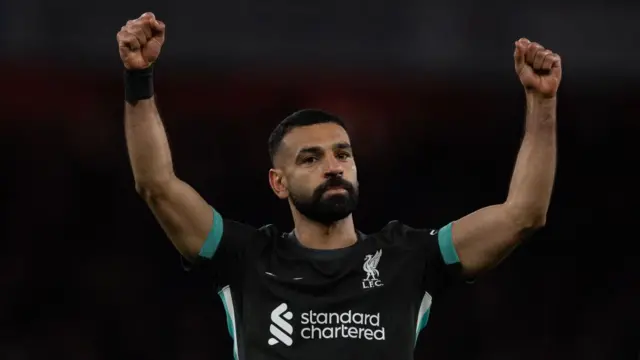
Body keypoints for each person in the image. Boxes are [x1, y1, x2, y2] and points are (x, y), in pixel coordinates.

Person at [117, 12, 562, 360]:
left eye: (342, 154)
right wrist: (139, 78)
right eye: (310, 158)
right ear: (278, 182)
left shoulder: (411, 259)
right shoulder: (245, 258)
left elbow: (524, 213)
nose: (333, 166)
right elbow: (156, 184)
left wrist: (542, 103)